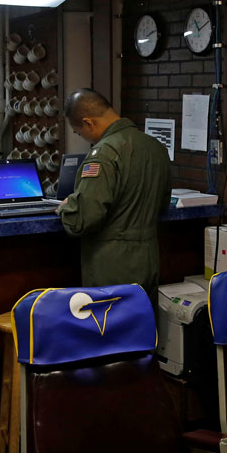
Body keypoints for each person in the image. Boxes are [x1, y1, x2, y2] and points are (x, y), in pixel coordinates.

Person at [57, 90, 171, 304]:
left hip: (111, 264)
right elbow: (163, 204)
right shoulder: (155, 147)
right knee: (141, 326)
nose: (83, 138)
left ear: (88, 123)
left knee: (109, 329)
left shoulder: (104, 154)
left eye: (79, 132)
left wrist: (66, 207)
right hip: (148, 257)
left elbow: (84, 220)